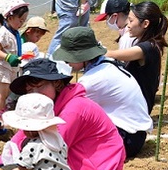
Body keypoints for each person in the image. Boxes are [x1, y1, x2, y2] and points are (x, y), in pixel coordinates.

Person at [8, 58, 125, 170]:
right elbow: (22, 134)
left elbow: (48, 151)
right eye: (29, 90)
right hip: (80, 159)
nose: (34, 95)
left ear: (56, 83)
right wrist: (3, 163)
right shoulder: (49, 105)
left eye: (39, 87)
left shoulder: (74, 109)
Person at [52, 27, 152, 158]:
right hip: (135, 134)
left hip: (127, 139)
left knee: (74, 139)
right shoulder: (106, 64)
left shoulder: (92, 80)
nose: (66, 62)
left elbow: (66, 108)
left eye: (69, 58)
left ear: (82, 56)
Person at [105, 1, 168, 114]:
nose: (128, 25)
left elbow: (112, 55)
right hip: (135, 104)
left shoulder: (146, 48)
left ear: (145, 24)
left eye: (131, 20)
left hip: (136, 109)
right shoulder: (148, 44)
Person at [0, 0, 29, 117]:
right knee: (2, 94)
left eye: (24, 21)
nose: (22, 23)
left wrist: (20, 57)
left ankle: (3, 112)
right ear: (10, 17)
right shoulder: (3, 32)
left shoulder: (15, 32)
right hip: (3, 68)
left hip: (12, 68)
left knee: (7, 93)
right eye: (20, 20)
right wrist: (8, 57)